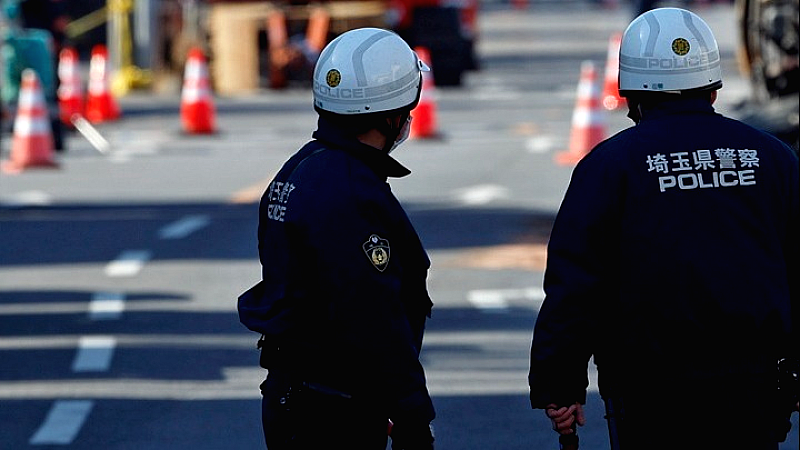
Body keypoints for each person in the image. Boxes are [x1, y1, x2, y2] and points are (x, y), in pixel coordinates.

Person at [529, 7, 798, 450]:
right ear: (712, 87)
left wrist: (560, 384)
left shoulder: (609, 165)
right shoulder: (771, 157)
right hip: (755, 387)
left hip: (648, 390)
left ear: (632, 90)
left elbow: (576, 285)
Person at [238, 27, 435, 450]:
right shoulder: (351, 190)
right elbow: (372, 311)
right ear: (392, 114)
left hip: (298, 394)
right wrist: (411, 411)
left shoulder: (299, 170)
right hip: (334, 408)